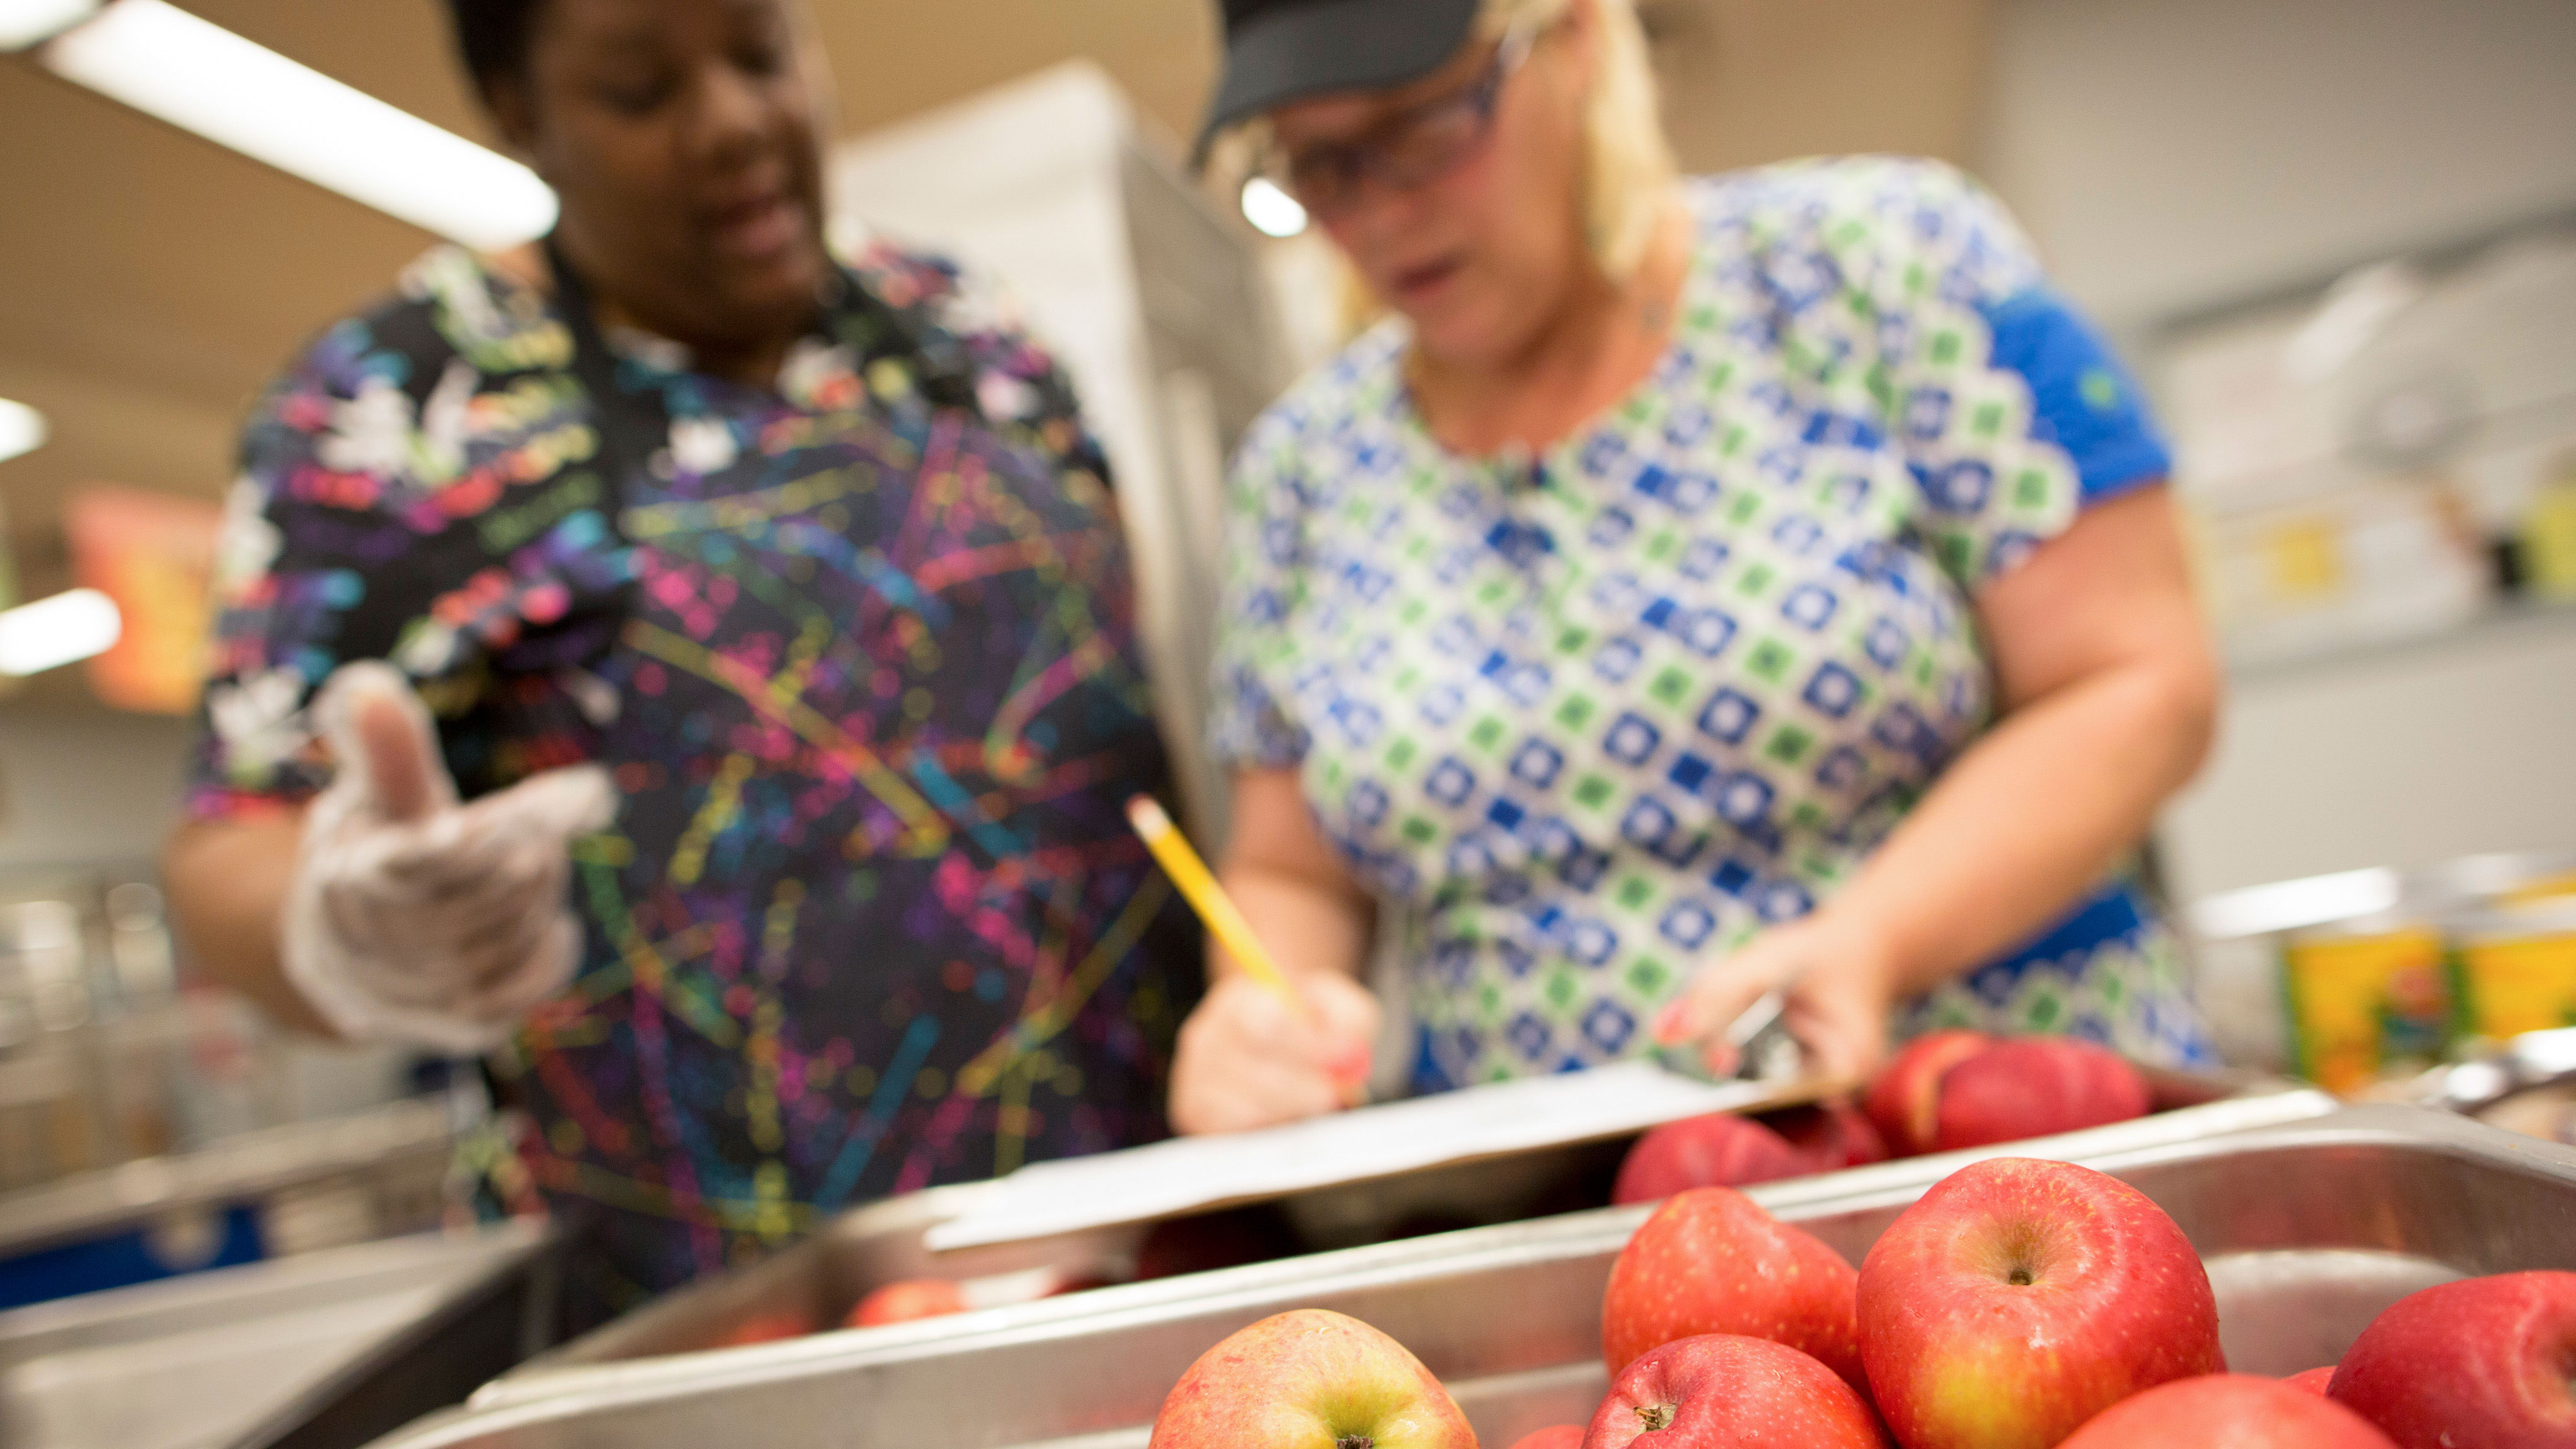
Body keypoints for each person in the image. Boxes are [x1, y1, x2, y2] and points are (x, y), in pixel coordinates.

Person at [162, 0, 1197, 1308]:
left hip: (1130, 1239)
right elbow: (231, 832)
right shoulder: (391, 412)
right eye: (644, 92)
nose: (734, 123)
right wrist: (343, 927)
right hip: (714, 1313)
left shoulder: (969, 335)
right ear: (521, 112)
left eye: (762, 54)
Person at [1169, 0, 2224, 1134]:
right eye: (1318, 166)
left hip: (1992, 1141)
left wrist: (1873, 938)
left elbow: (2137, 680)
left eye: (1422, 129)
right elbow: (1293, 875)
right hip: (1556, 1209)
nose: (1376, 211)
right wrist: (1256, 1022)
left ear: (1572, 46)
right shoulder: (1304, 468)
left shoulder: (1886, 265)